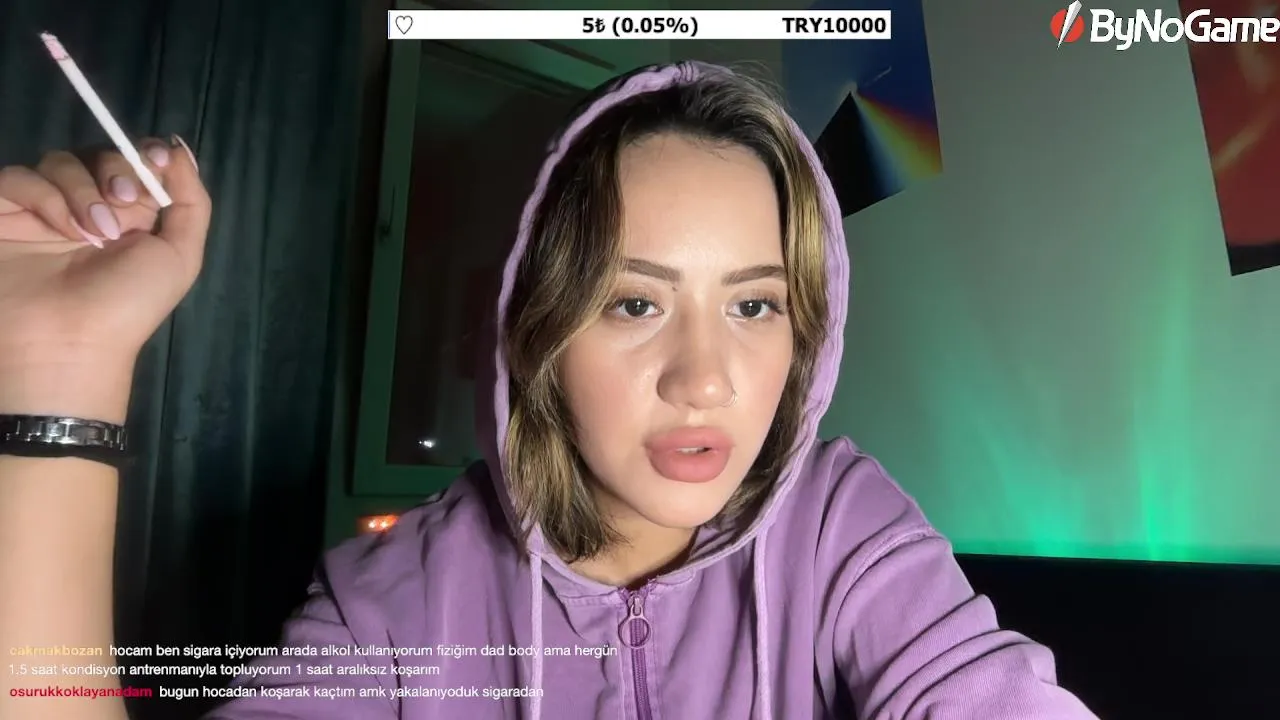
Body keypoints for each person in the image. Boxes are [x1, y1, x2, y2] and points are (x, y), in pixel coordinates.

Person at [0, 62, 1098, 719]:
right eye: (635, 302)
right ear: (533, 332)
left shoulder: (842, 529)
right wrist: (63, 365)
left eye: (755, 305)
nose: (705, 378)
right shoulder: (395, 604)